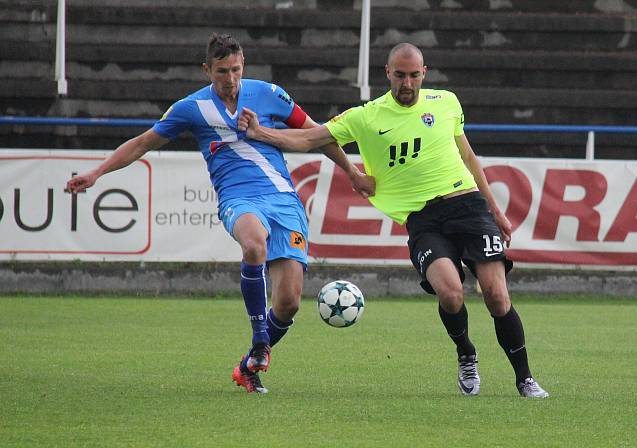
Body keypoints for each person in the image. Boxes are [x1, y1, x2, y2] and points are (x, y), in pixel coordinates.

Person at [237, 42, 549, 398]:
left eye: (414, 75)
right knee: (450, 294)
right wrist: (261, 133)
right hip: (423, 220)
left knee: (495, 295)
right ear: (388, 73)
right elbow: (311, 137)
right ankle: (466, 354)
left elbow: (469, 157)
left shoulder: (446, 102)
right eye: (400, 75)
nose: (407, 83)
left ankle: (524, 378)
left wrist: (495, 209)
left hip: (469, 207)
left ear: (424, 74)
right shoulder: (366, 116)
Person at [65, 33, 372, 394]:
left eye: (237, 69)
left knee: (288, 303)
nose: (231, 79)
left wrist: (352, 173)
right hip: (238, 199)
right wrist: (96, 173)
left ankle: (248, 367)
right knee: (254, 244)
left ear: (244, 65)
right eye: (222, 71)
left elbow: (318, 134)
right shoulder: (191, 109)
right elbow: (142, 143)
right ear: (207, 69)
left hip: (285, 201)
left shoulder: (269, 94)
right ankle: (261, 341)